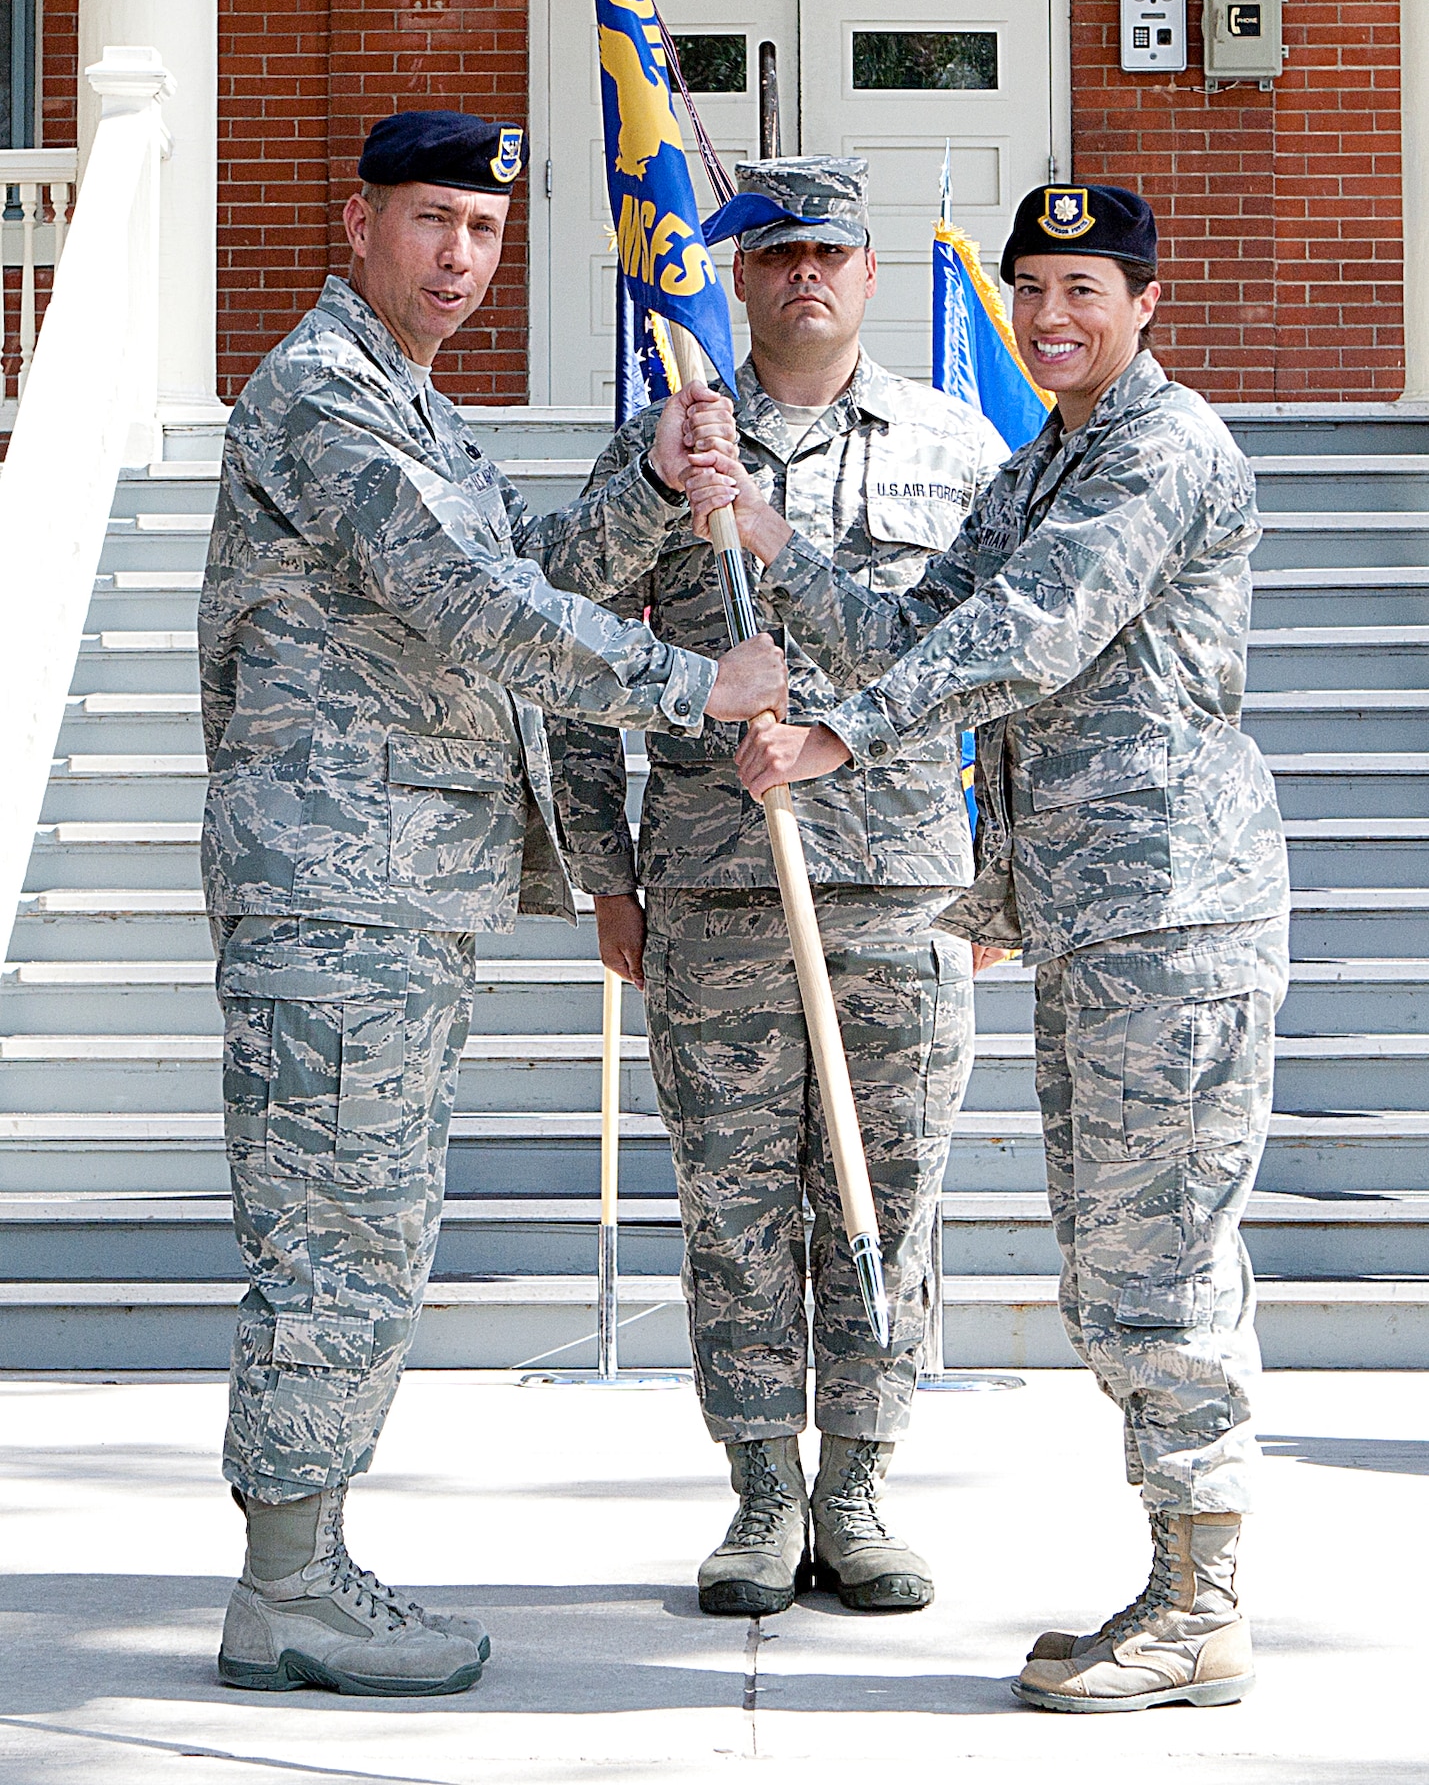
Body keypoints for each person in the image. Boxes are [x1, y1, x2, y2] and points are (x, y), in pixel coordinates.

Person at [201, 110, 784, 1698]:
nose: (461, 258)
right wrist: (693, 686)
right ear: (358, 223)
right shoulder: (323, 395)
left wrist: (652, 481)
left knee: (367, 1234)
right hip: (337, 889)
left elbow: (520, 559)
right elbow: (467, 603)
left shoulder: (414, 411)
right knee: (338, 1240)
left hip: (398, 887)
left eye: (484, 231)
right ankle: (289, 1591)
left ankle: (306, 1561)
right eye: (432, 222)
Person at [692, 182, 1290, 1711]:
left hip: (1176, 911)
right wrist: (768, 535)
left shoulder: (1156, 451)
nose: (1048, 318)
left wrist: (839, 733)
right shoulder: (1044, 464)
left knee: (1161, 1265)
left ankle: (1202, 1605)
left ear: (1144, 300)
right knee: (1108, 1267)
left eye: (1084, 289)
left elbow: (1027, 632)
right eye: (1029, 289)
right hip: (1093, 917)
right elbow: (921, 626)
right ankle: (1171, 1585)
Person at [549, 157, 1009, 1620]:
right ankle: (758, 1497)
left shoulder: (953, 447)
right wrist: (602, 872)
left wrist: (1000, 874)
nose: (802, 275)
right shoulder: (664, 447)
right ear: (735, 278)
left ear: (871, 274)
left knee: (891, 1194)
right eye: (774, 254)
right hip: (714, 889)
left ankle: (859, 1491)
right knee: (733, 1203)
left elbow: (996, 665)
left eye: (828, 252)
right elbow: (563, 648)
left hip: (899, 891)